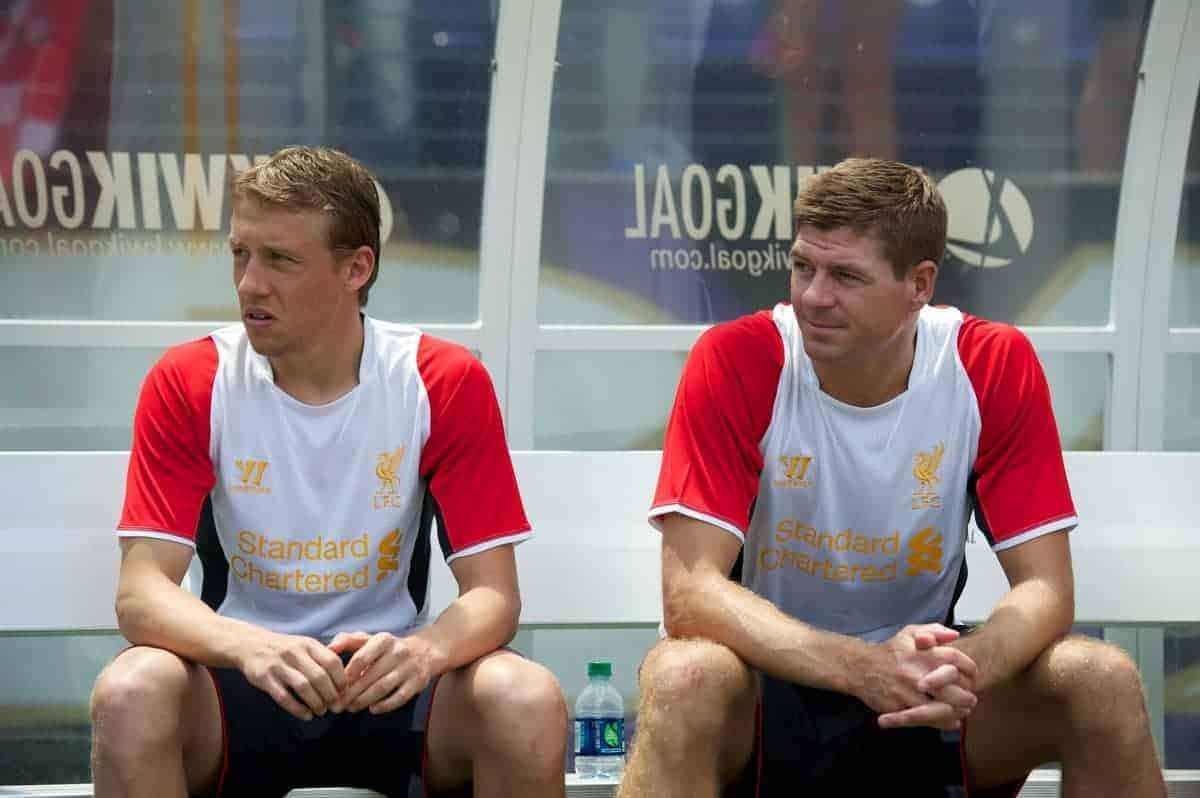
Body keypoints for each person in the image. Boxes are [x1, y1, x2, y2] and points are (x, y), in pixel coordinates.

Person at [617, 158, 1166, 797]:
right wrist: (864, 668)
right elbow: (690, 595)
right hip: (767, 686)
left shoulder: (988, 363)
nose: (814, 297)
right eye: (803, 267)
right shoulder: (739, 356)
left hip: (925, 692)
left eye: (846, 275)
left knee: (1100, 679)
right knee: (685, 675)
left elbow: (1046, 587)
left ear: (920, 283)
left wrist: (964, 667)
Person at [88, 146, 567, 798]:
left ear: (356, 268)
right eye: (240, 254)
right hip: (243, 682)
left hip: (387, 678)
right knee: (130, 690)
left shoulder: (439, 379)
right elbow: (141, 594)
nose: (250, 283)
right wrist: (251, 648)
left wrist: (423, 653)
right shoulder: (192, 378)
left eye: (280, 259)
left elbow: (495, 596)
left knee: (525, 698)